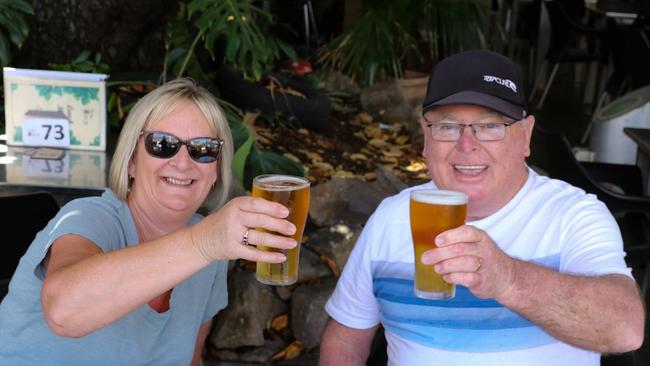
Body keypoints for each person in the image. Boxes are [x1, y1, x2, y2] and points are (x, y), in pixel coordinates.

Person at [319, 50, 645, 366]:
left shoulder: (573, 216)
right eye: (447, 126)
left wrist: (509, 279)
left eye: (491, 126)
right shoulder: (392, 217)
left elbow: (624, 330)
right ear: (425, 136)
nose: (467, 144)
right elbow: (347, 337)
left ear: (526, 135)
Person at [0, 79, 297, 365]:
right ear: (131, 160)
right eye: (162, 144)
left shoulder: (211, 254)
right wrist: (204, 242)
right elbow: (64, 311)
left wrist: (207, 244)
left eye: (203, 148)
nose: (183, 162)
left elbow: (190, 359)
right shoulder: (91, 217)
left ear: (217, 170)